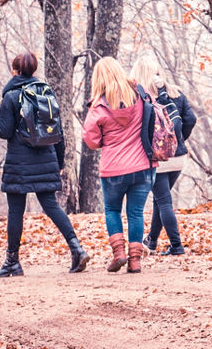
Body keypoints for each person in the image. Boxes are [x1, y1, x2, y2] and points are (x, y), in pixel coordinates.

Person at [0, 49, 89, 277]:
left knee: (16, 210)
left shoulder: (11, 97)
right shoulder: (46, 93)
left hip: (19, 162)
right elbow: (58, 129)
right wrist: (60, 160)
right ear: (34, 70)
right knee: (52, 206)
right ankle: (77, 248)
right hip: (46, 158)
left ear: (15, 71)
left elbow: (4, 131)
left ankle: (12, 262)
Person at [81, 55, 155, 274]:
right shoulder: (140, 95)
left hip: (113, 168)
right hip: (142, 165)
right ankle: (135, 262)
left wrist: (108, 139)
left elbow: (91, 140)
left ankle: (119, 254)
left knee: (112, 210)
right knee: (135, 213)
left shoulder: (99, 106)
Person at [129, 50, 197, 256]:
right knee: (161, 199)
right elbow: (191, 119)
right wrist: (179, 140)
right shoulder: (175, 92)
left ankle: (177, 246)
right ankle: (152, 241)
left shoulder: (139, 96)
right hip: (178, 157)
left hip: (157, 157)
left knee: (163, 201)